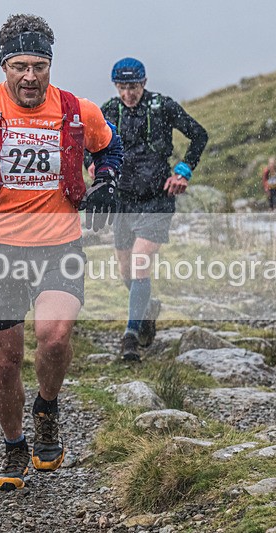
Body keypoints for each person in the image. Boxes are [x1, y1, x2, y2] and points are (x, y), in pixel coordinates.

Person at [0, 14, 123, 491]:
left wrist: (107, 183)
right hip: (0, 249)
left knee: (53, 337)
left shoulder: (79, 110)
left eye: (39, 65)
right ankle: (15, 446)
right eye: (19, 66)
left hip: (60, 245)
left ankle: (48, 409)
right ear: (5, 66)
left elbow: (110, 153)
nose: (30, 76)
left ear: (50, 65)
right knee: (6, 359)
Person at [90, 57, 208, 362]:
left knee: (141, 263)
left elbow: (199, 134)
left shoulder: (163, 106)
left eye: (134, 87)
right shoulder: (107, 112)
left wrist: (182, 171)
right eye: (123, 88)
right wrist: (93, 165)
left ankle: (130, 337)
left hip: (157, 197)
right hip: (123, 200)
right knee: (125, 272)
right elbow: (86, 144)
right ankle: (148, 306)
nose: (129, 94)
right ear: (116, 87)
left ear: (144, 83)